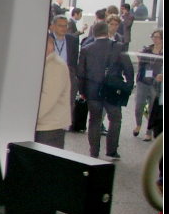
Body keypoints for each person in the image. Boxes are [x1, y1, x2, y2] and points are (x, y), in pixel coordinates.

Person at [77, 20, 134, 159]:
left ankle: (94, 152)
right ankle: (112, 150)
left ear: (93, 33)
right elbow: (128, 69)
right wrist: (128, 86)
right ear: (107, 32)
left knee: (94, 120)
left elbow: (81, 73)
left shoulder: (86, 49)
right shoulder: (119, 47)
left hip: (92, 90)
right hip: (112, 90)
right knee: (115, 119)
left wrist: (83, 91)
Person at [35, 34, 72, 148]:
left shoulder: (56, 66)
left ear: (50, 47)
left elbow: (48, 98)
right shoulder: (47, 63)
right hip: (45, 124)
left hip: (50, 127)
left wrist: (29, 120)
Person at [133, 29, 163, 141]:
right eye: (153, 36)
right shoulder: (147, 49)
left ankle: (148, 132)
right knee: (139, 105)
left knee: (152, 108)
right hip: (143, 81)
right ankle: (138, 124)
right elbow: (140, 62)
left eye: (157, 37)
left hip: (156, 83)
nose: (154, 39)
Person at [49, 14, 79, 110]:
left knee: (67, 105)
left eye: (65, 26)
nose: (63, 28)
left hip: (67, 76)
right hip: (50, 75)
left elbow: (74, 59)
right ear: (53, 26)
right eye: (60, 26)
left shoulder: (73, 40)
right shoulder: (46, 39)